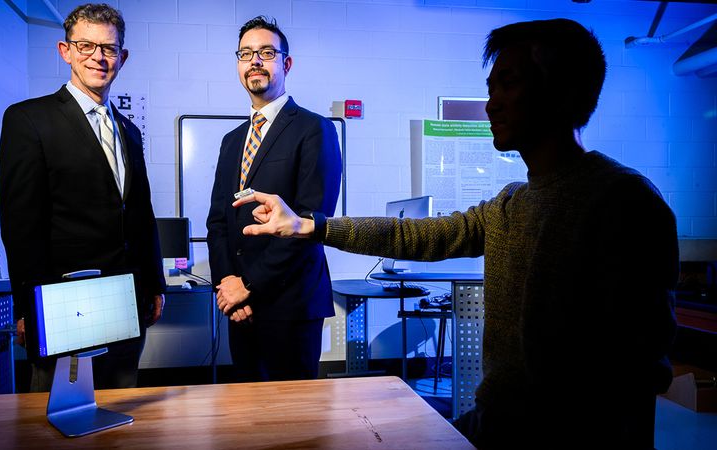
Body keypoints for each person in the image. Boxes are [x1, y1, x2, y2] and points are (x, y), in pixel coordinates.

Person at [233, 18, 678, 448]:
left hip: (569, 434)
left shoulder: (622, 200)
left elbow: (641, 365)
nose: (492, 103)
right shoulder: (510, 203)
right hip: (499, 422)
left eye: (510, 83)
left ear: (563, 93)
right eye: (491, 88)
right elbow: (420, 236)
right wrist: (311, 225)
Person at [0, 3, 165, 391]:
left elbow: (140, 213)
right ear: (65, 50)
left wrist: (154, 283)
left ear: (122, 57)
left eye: (108, 48)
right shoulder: (28, 120)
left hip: (127, 300)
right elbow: (21, 224)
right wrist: (28, 308)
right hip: (64, 303)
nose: (98, 57)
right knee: (57, 418)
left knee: (121, 409)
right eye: (86, 46)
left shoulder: (128, 130)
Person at [206, 16, 342, 382]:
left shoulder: (315, 129)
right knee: (247, 421)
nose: (255, 60)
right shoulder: (232, 140)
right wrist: (227, 287)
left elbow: (309, 222)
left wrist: (247, 285)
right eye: (246, 53)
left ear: (286, 63)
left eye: (266, 52)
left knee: (295, 426)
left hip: (291, 305)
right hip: (239, 306)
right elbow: (218, 222)